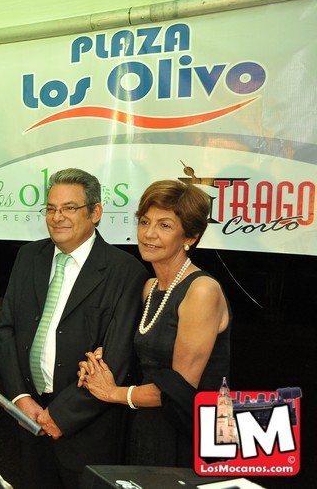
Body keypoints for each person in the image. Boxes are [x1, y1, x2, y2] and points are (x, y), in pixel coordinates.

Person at [0, 168, 147, 489]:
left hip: (89, 432)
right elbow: (5, 332)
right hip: (30, 421)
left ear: (95, 212)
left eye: (69, 208)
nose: (57, 217)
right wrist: (21, 398)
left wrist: (61, 416)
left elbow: (116, 361)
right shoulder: (28, 257)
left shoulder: (125, 271)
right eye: (51, 208)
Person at [78, 179, 231, 468]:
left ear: (190, 237)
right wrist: (97, 364)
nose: (149, 234)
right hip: (147, 424)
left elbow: (179, 390)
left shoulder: (202, 291)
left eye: (165, 225)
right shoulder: (150, 288)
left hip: (190, 435)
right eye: (145, 221)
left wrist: (112, 392)